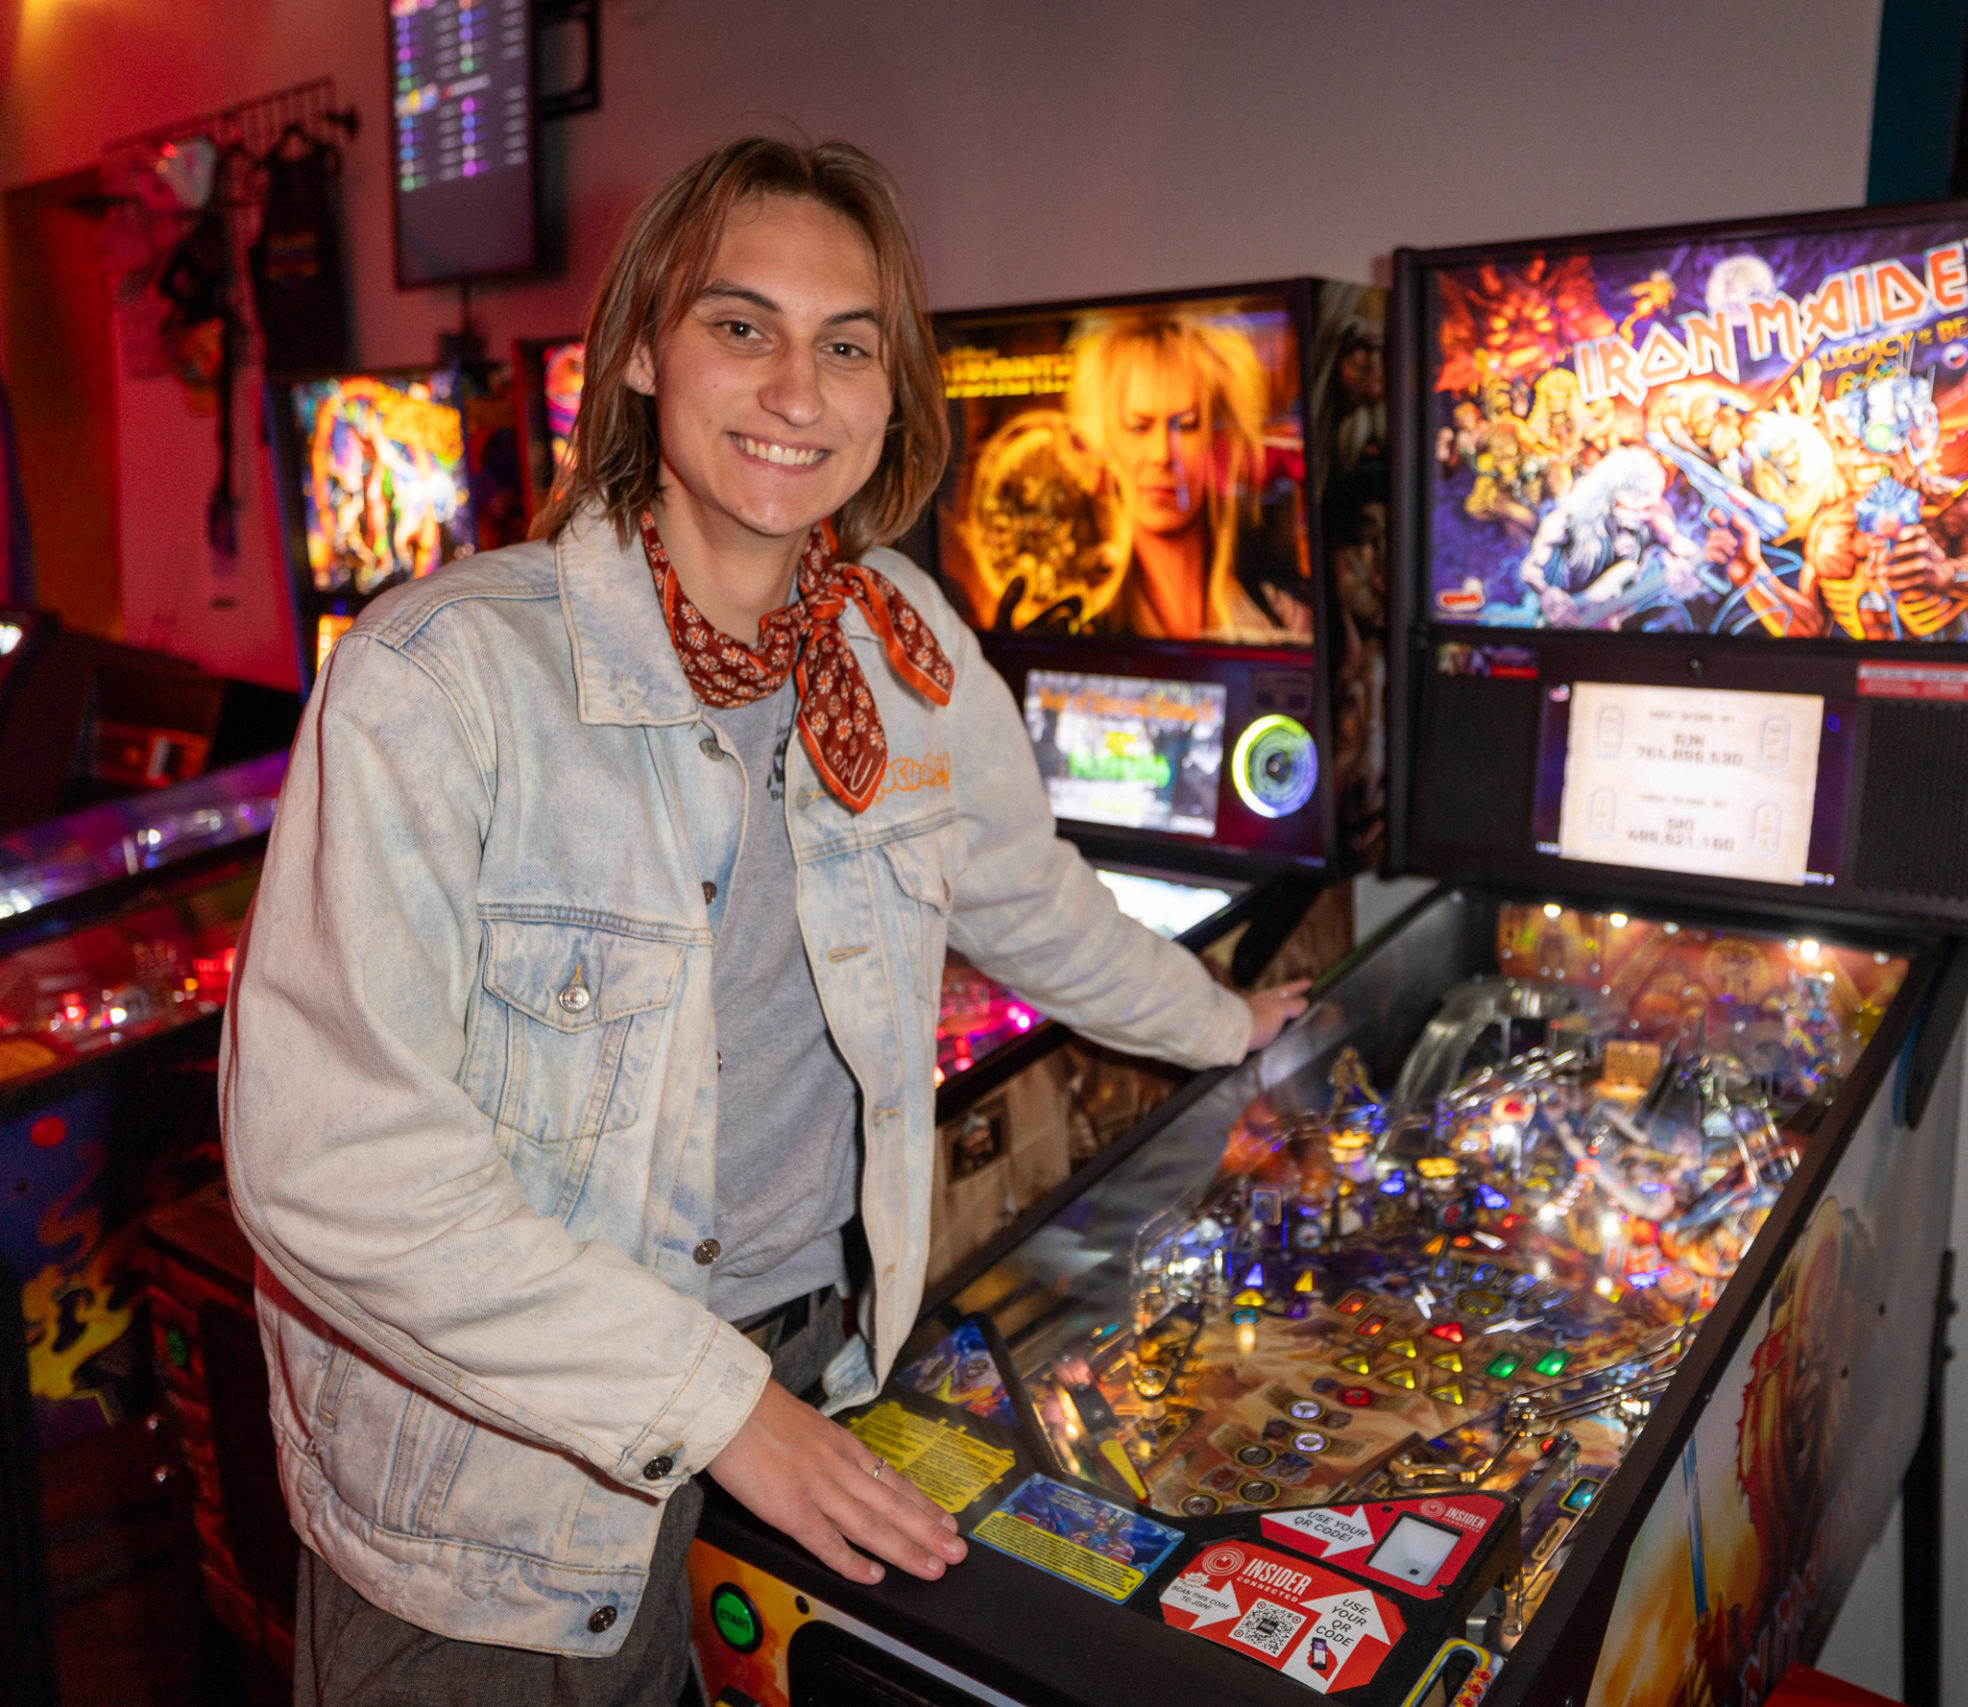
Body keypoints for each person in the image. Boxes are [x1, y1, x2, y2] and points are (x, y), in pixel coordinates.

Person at [221, 137, 1308, 1705]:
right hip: (499, 1490)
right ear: (642, 352)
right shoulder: (444, 676)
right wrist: (719, 1406)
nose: (799, 389)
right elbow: (329, 1162)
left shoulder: (902, 640)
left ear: (892, 393)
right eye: (743, 326)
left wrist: (1228, 1025)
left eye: (847, 344)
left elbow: (1028, 897)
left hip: (825, 1373)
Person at [1065, 310, 1310, 643]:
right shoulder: (1078, 626)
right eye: (1139, 426)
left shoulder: (1284, 621)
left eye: (1187, 425)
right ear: (1104, 443)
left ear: (1219, 438)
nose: (1163, 455)